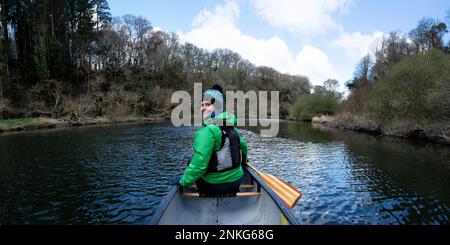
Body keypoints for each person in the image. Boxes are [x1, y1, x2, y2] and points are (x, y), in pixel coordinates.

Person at [175, 84, 248, 196]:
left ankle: (203, 194)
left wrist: (183, 182)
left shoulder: (208, 131)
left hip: (213, 186)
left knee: (191, 161)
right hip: (236, 182)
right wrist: (244, 162)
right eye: (202, 104)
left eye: (208, 104)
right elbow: (243, 147)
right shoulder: (232, 129)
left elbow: (199, 165)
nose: (203, 108)